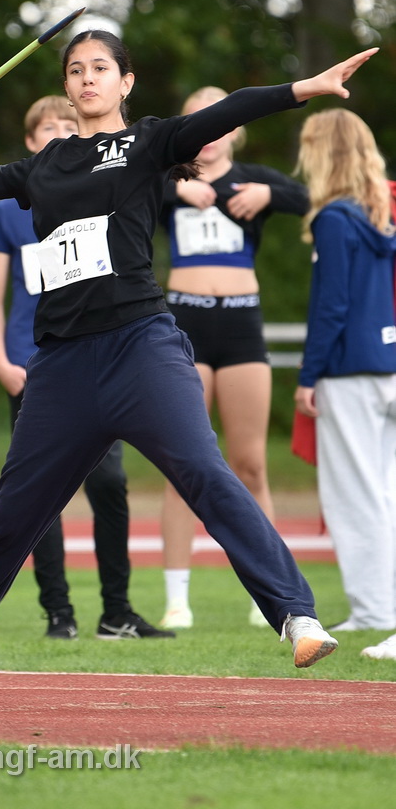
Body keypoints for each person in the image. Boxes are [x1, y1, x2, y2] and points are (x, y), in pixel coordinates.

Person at [0, 28, 376, 705]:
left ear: (125, 82)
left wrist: (304, 88)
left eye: (100, 68)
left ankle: (294, 613)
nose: (87, 78)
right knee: (13, 513)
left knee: (205, 474)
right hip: (60, 363)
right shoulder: (46, 165)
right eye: (75, 70)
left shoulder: (149, 142)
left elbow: (230, 110)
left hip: (140, 349)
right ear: (66, 87)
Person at [0, 94, 172, 640]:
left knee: (109, 481)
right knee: (42, 492)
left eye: (68, 124)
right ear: (30, 140)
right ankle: (58, 613)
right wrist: (1, 359)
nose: (60, 132)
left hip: (98, 352)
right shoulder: (7, 209)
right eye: (48, 127)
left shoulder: (100, 187)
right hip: (33, 361)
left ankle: (117, 611)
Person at [158, 86, 309, 630]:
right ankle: (177, 599)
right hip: (184, 324)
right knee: (182, 465)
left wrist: (269, 199)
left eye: (220, 119)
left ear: (236, 128)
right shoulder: (167, 175)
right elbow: (122, 196)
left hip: (243, 325)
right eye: (200, 117)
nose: (212, 129)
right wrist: (180, 195)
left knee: (249, 464)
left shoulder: (256, 179)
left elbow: (312, 199)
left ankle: (268, 592)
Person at [293, 108, 396, 650]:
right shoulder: (380, 213)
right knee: (386, 493)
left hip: (350, 371)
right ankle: (381, 606)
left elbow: (331, 306)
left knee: (357, 497)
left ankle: (375, 607)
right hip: (388, 363)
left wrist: (309, 375)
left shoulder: (334, 218)